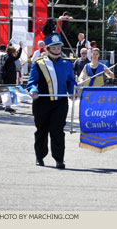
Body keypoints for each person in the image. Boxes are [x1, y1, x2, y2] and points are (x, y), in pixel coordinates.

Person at [26, 33, 77, 169]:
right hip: (42, 102)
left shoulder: (67, 64)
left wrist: (72, 91)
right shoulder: (39, 63)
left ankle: (59, 159)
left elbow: (71, 81)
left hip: (60, 102)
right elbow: (32, 82)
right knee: (41, 130)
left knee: (57, 130)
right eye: (53, 48)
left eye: (58, 47)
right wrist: (33, 91)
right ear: (48, 49)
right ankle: (40, 156)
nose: (56, 50)